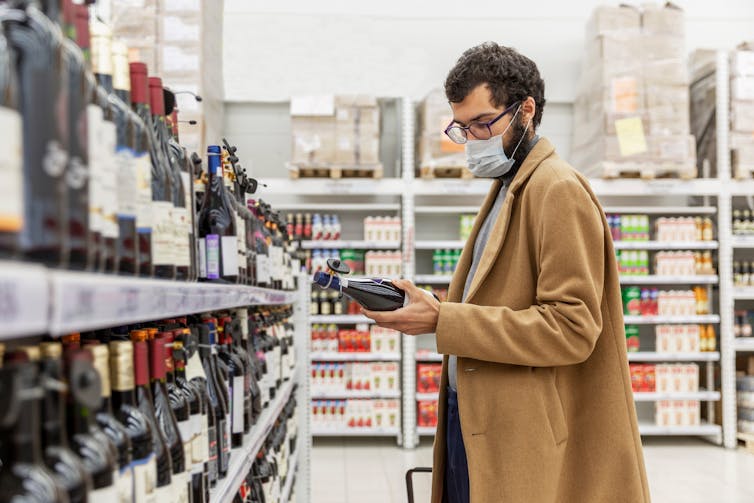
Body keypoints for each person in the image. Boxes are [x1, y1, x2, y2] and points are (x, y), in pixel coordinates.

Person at [362, 42, 650, 503]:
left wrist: (443, 321)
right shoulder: (508, 185)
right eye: (462, 127)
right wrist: (433, 305)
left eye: (482, 123)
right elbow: (502, 298)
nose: (473, 139)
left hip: (520, 431)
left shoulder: (556, 189)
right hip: (475, 417)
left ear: (526, 111)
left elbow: (571, 327)